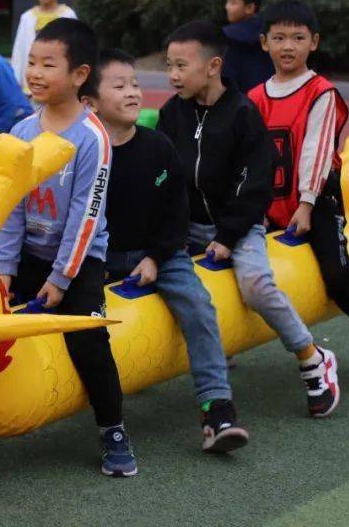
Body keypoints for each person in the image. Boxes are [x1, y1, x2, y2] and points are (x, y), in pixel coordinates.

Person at [158, 20, 339, 418]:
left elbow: (254, 184)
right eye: (169, 65)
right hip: (187, 227)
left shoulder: (243, 114)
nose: (172, 75)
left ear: (212, 66)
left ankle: (312, 357)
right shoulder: (172, 114)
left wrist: (226, 235)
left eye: (180, 66)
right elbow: (167, 175)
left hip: (238, 226)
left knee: (255, 284)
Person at [0, 17, 136, 477]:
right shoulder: (20, 133)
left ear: (78, 76)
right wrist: (5, 269)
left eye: (47, 65)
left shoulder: (93, 138)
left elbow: (85, 219)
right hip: (29, 255)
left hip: (79, 261)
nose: (34, 72)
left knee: (90, 339)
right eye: (31, 62)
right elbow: (10, 209)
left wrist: (60, 280)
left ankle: (112, 429)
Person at [93, 48, 249, 453]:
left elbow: (176, 213)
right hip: (100, 257)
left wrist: (156, 258)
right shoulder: (84, 153)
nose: (132, 93)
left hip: (160, 252)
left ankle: (217, 408)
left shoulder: (158, 147)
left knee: (198, 306)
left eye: (135, 84)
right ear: (89, 102)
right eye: (119, 86)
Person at [249, 0, 349, 388]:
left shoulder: (321, 92)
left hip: (314, 200)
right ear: (264, 42)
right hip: (267, 201)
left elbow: (316, 152)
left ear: (313, 42)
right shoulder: (253, 99)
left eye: (297, 38)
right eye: (279, 37)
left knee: (335, 270)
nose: (288, 46)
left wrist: (307, 203)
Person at [10, 0, 76, 86]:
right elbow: (19, 51)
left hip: (58, 83)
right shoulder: (27, 17)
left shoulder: (68, 15)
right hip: (32, 84)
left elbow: (74, 48)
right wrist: (16, 82)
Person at [223, 0, 272, 93]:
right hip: (265, 98)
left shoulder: (226, 37)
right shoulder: (270, 34)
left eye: (232, 2)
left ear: (249, 8)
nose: (227, 7)